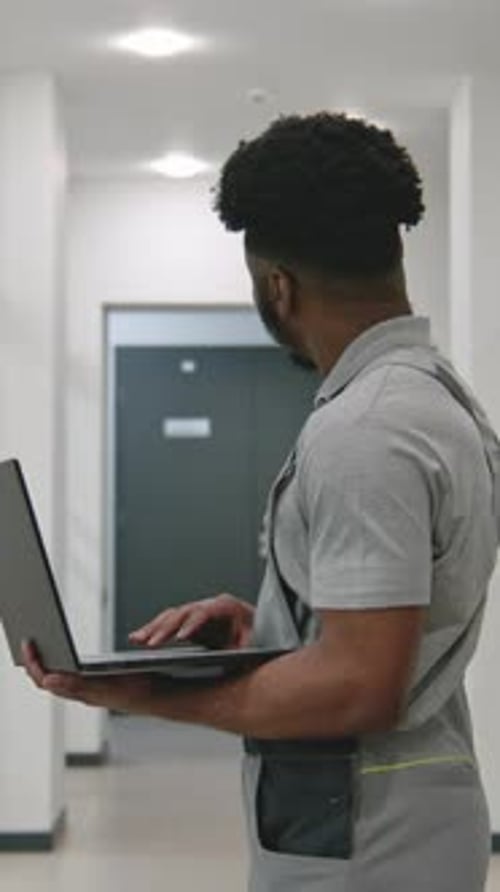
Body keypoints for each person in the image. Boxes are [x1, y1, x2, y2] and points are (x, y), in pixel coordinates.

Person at [24, 112, 500, 892]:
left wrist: (152, 696)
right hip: (394, 816)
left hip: (366, 841)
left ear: (278, 288)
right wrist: (278, 631)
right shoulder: (435, 397)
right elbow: (395, 635)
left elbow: (360, 684)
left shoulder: (367, 430)